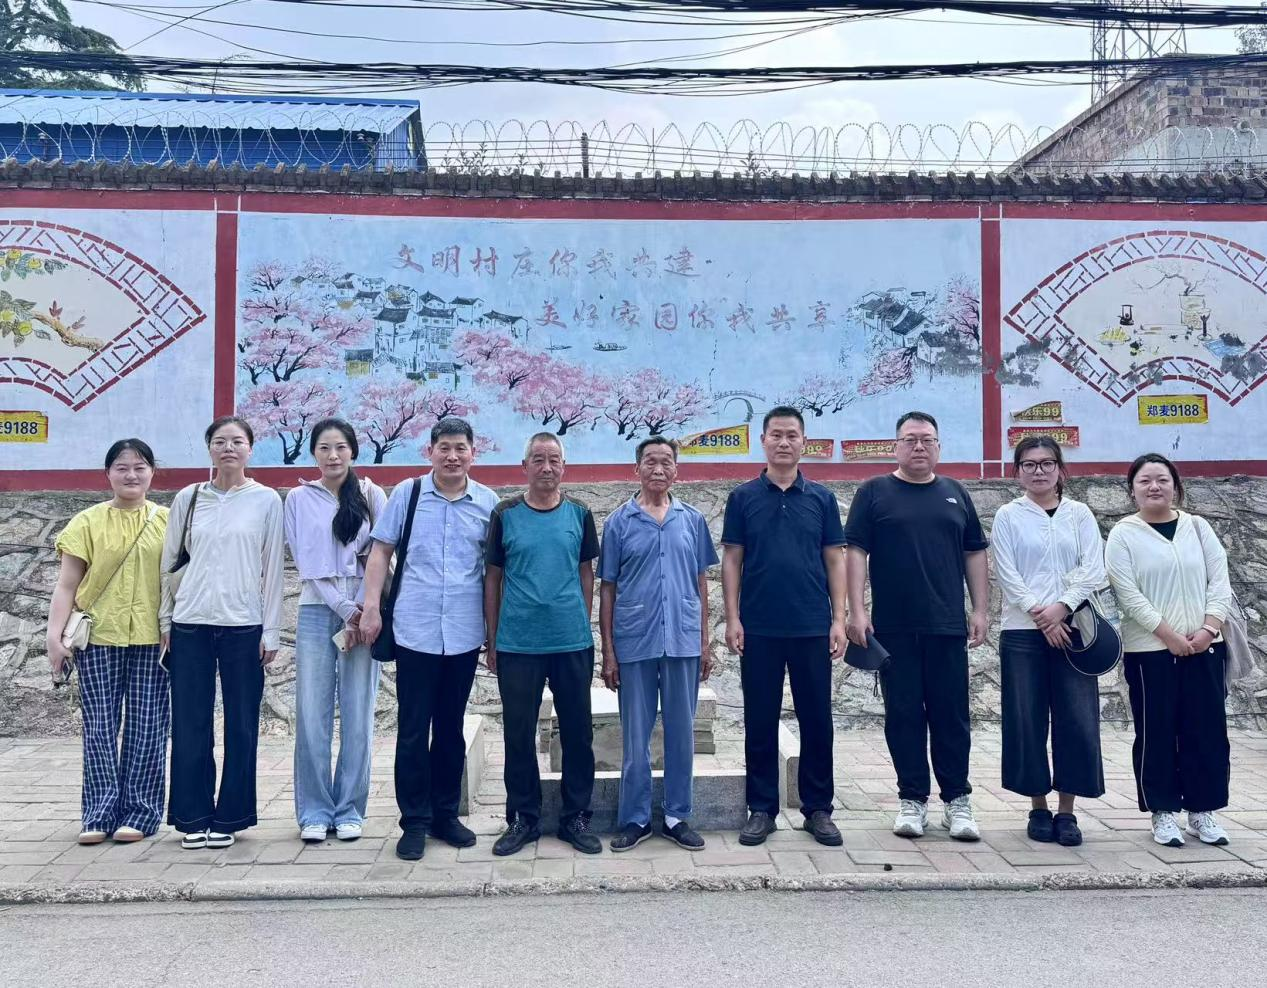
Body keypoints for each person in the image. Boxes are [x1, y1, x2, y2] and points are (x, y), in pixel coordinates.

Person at [844, 411, 989, 842]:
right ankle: (912, 799)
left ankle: (957, 801)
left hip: (947, 626)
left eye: (927, 439)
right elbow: (856, 552)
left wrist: (980, 610)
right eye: (910, 439)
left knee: (951, 716)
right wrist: (857, 610)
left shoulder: (955, 493)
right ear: (896, 446)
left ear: (939, 446)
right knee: (903, 715)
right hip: (894, 627)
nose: (919, 446)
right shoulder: (874, 492)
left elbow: (974, 553)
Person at [361, 417, 499, 861]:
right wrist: (370, 607)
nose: (452, 456)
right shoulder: (409, 493)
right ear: (430, 452)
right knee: (412, 729)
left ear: (473, 453)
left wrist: (494, 630)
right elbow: (381, 551)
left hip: (463, 632)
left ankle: (445, 815)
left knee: (451, 729)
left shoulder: (488, 502)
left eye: (461, 448)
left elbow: (494, 571)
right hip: (414, 630)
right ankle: (414, 822)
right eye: (444, 448)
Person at [722, 405, 847, 848]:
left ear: (803, 442)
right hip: (759, 627)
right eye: (776, 434)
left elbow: (835, 559)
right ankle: (761, 809)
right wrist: (732, 617)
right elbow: (732, 559)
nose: (784, 442)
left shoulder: (821, 499)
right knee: (759, 719)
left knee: (817, 720)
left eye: (792, 435)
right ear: (763, 441)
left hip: (812, 625)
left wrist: (839, 619)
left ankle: (818, 809)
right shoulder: (742, 498)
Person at [160, 416, 284, 851]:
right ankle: (192, 816)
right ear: (209, 448)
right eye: (219, 441)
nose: (228, 448)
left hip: (243, 625)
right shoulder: (189, 497)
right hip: (190, 623)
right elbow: (169, 564)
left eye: (236, 441)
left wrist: (272, 630)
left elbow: (273, 569)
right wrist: (165, 622)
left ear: (250, 448)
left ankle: (231, 816)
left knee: (241, 725)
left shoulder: (266, 500)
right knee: (190, 724)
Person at [1106, 453, 1234, 848]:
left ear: (1175, 486)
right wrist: (1169, 636)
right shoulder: (1124, 534)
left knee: (1206, 730)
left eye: (1162, 479)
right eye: (1144, 481)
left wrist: (1208, 628)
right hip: (1150, 650)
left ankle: (1203, 810)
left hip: (1205, 647)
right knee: (1156, 731)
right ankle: (1162, 811)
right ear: (1132, 490)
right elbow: (1128, 594)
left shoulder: (1197, 527)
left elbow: (1220, 581)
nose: (1154, 487)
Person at [47, 439, 170, 845]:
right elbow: (67, 585)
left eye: (139, 466)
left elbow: (180, 582)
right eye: (121, 467)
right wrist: (54, 637)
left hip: (154, 638)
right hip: (98, 636)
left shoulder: (169, 521)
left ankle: (141, 812)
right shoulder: (87, 522)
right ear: (108, 473)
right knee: (99, 727)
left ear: (152, 472)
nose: (131, 474)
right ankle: (98, 813)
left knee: (148, 726)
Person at [600, 436, 719, 852]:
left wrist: (705, 642)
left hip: (683, 639)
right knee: (636, 736)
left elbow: (701, 584)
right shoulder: (619, 522)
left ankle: (676, 815)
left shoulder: (692, 520)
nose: (658, 469)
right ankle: (635, 818)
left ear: (676, 470)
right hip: (634, 640)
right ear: (637, 469)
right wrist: (608, 651)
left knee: (682, 732)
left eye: (666, 461)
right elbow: (608, 588)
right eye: (650, 461)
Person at [484, 432, 601, 857]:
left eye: (554, 459)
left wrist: (580, 621)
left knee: (577, 732)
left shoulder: (579, 513)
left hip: (571, 642)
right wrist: (492, 638)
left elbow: (586, 573)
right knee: (518, 734)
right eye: (538, 459)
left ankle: (576, 817)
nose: (546, 467)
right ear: (525, 466)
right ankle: (523, 818)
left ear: (564, 466)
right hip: (518, 643)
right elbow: (493, 577)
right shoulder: (505, 514)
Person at [991, 437, 1106, 847]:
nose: (1038, 471)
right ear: (1017, 471)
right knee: (1026, 718)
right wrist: (1041, 616)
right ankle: (1038, 806)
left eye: (1046, 463)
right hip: (1022, 632)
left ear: (1060, 469)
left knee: (1077, 719)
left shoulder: (1079, 514)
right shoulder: (1008, 515)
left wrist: (1062, 608)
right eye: (1029, 464)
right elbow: (1006, 572)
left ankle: (1067, 811)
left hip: (1074, 629)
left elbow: (1093, 568)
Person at [283, 419, 387, 844]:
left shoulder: (372, 495)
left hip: (366, 609)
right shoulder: (298, 499)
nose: (333, 455)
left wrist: (364, 607)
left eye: (340, 447)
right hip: (316, 610)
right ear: (313, 453)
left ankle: (349, 809)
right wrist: (346, 609)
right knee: (312, 713)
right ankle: (314, 810)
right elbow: (305, 563)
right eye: (324, 447)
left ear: (353, 451)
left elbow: (382, 554)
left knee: (359, 711)